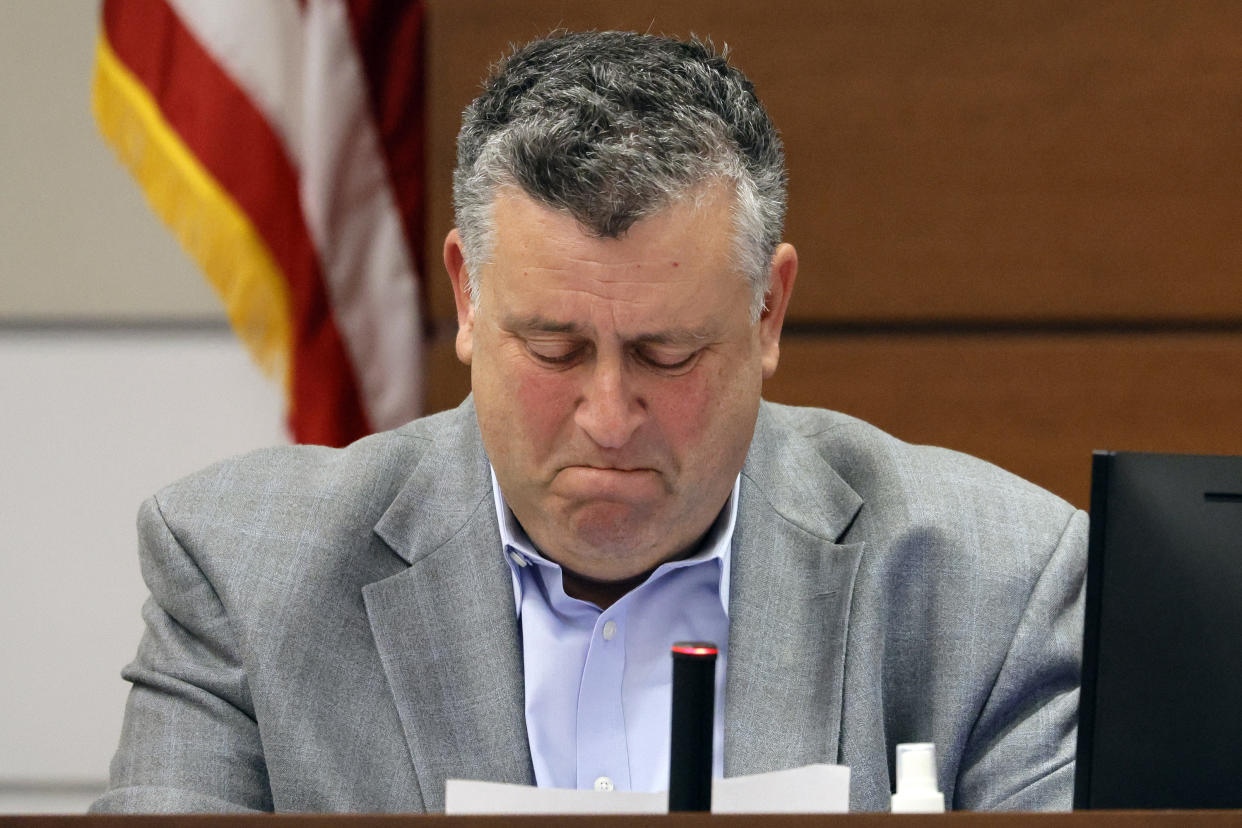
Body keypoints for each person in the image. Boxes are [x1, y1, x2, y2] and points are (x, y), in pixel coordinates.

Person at [93, 31, 1085, 814]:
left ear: (767, 312)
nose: (609, 419)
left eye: (668, 354)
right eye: (554, 349)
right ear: (469, 298)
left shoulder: (995, 588)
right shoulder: (242, 576)